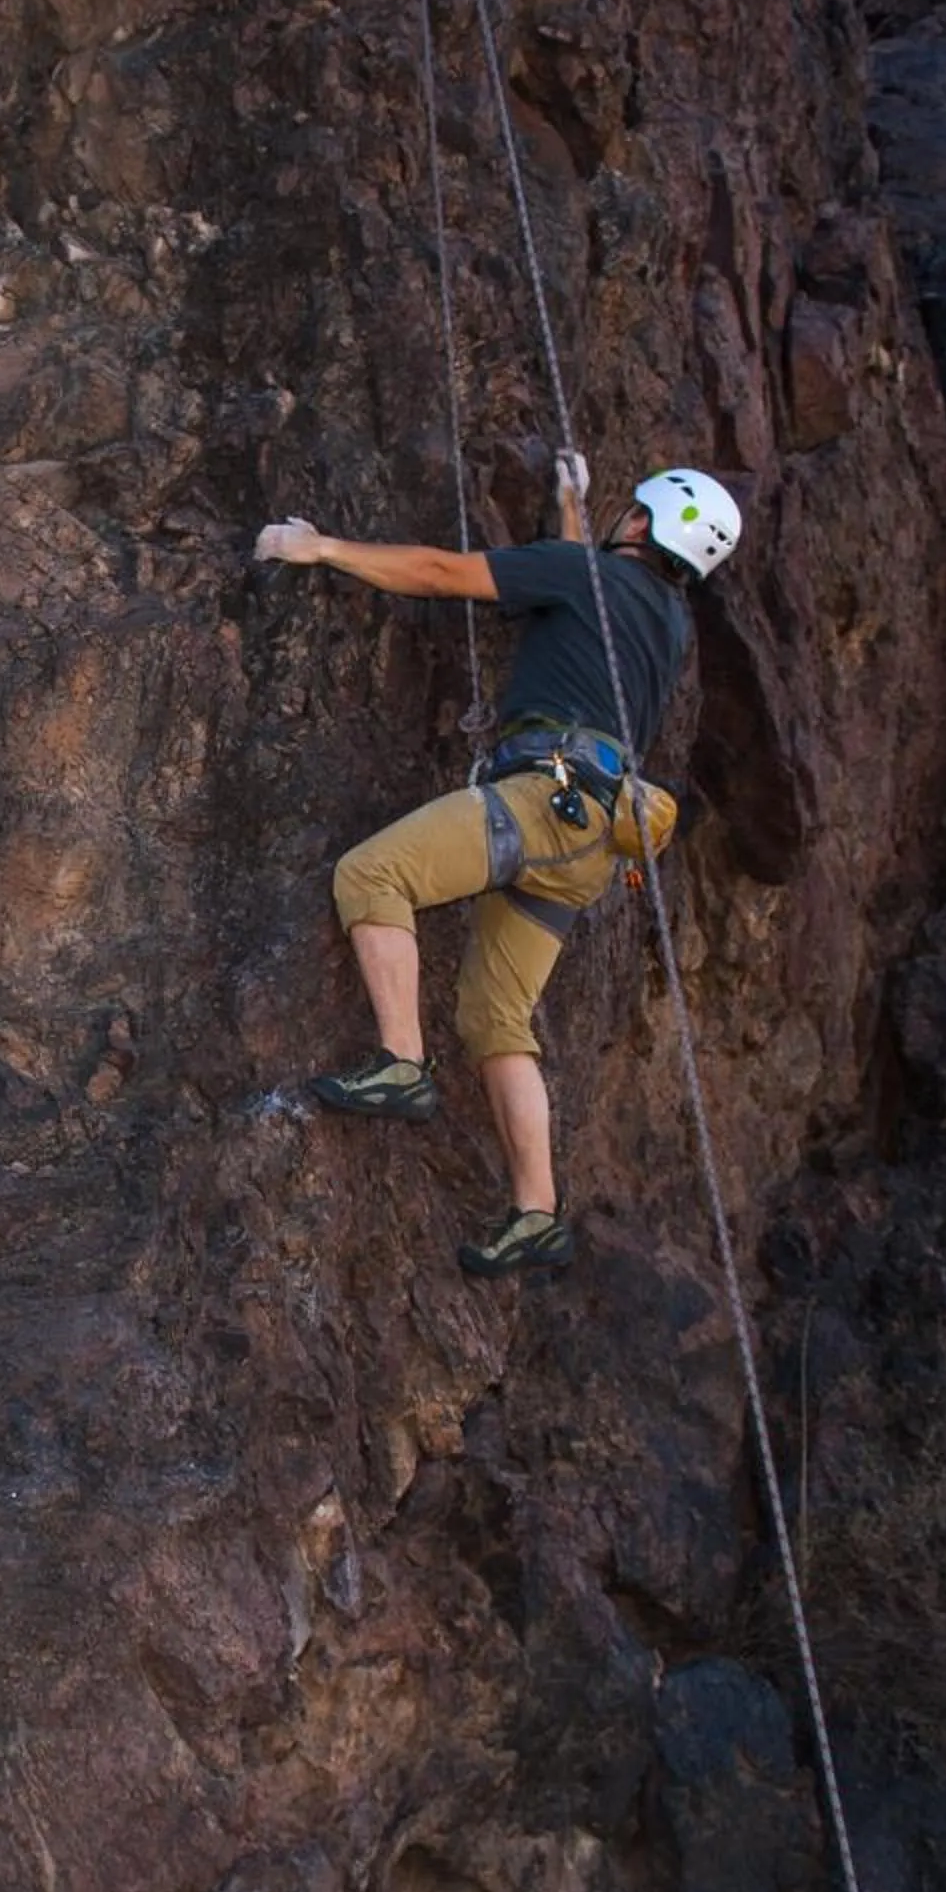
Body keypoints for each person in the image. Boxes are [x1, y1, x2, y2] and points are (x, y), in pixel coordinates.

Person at [251, 455, 742, 1276]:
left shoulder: (585, 575)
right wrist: (571, 507)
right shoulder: (667, 621)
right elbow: (582, 599)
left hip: (540, 802)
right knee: (495, 1018)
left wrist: (321, 548)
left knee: (372, 876)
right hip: (591, 840)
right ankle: (535, 1212)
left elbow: (445, 573)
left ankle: (402, 1062)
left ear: (641, 524)